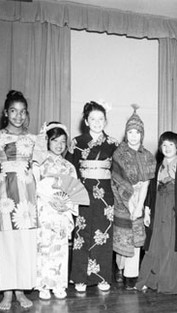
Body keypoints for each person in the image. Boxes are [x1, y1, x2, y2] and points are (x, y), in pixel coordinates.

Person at [0, 90, 38, 311]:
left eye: (22, 112)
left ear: (26, 114)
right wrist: (3, 186)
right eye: (13, 111)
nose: (18, 116)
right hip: (5, 192)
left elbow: (37, 167)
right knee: (6, 243)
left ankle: (20, 290)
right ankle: (7, 292)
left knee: (25, 242)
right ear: (6, 113)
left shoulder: (33, 139)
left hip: (27, 193)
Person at [135, 131, 177, 294]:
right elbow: (151, 191)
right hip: (158, 210)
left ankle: (172, 284)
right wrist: (148, 210)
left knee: (172, 245)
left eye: (171, 144)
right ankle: (150, 280)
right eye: (164, 145)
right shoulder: (157, 167)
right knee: (155, 244)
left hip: (176, 212)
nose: (167, 148)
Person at [66, 101, 118, 293]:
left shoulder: (113, 144)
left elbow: (119, 172)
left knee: (104, 233)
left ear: (105, 121)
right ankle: (80, 277)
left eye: (101, 119)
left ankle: (103, 277)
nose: (97, 122)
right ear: (86, 121)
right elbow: (70, 169)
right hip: (83, 190)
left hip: (106, 192)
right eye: (93, 119)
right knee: (82, 233)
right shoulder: (77, 143)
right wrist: (71, 194)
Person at [35, 122, 88, 300]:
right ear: (47, 141)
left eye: (63, 141)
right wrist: (50, 200)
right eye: (54, 140)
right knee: (44, 247)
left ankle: (58, 284)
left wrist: (66, 205)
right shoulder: (40, 164)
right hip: (45, 210)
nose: (59, 145)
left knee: (61, 248)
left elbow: (74, 192)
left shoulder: (69, 166)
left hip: (62, 211)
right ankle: (43, 284)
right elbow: (36, 187)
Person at [112, 105, 156, 289]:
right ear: (126, 134)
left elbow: (146, 183)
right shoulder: (119, 154)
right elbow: (116, 181)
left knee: (136, 240)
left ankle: (132, 275)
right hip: (121, 200)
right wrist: (129, 204)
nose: (133, 136)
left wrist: (139, 206)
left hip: (140, 198)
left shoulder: (147, 156)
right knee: (123, 238)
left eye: (137, 132)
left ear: (142, 134)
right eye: (130, 132)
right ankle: (119, 269)